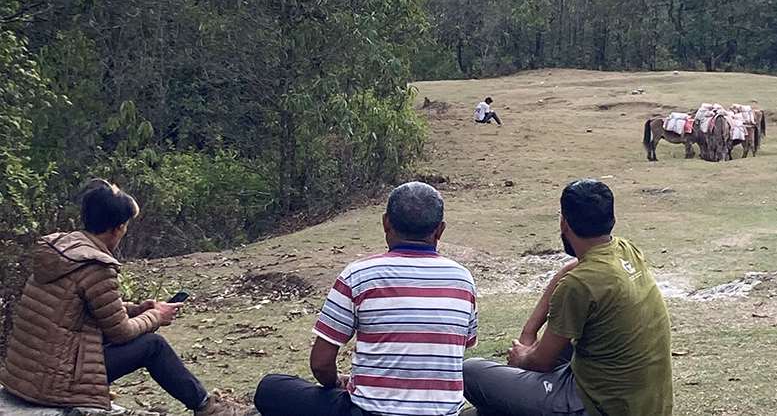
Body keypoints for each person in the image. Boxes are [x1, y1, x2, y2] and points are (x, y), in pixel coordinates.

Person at [0, 179, 250, 416]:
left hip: (25, 376)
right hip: (56, 384)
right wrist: (156, 316)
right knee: (153, 345)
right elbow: (120, 333)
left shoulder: (61, 251)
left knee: (143, 339)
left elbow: (88, 310)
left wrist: (140, 309)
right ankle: (208, 408)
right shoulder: (96, 266)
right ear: (117, 228)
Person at [255, 182, 478, 416]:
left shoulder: (359, 275)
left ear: (385, 223)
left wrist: (337, 382)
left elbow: (320, 364)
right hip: (442, 412)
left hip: (367, 411)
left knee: (271, 387)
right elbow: (462, 345)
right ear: (440, 230)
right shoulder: (463, 279)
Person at [462, 179, 673, 416]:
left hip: (599, 404)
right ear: (612, 220)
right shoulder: (625, 250)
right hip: (642, 401)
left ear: (564, 223)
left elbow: (539, 362)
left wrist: (522, 357)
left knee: (470, 372)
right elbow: (570, 268)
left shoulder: (579, 284)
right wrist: (529, 331)